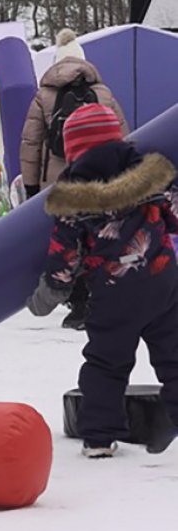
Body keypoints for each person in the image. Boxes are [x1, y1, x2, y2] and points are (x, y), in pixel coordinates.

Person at [25, 104, 178, 458]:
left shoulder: (73, 199)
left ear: (73, 151)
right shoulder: (152, 178)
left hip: (114, 294)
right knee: (174, 357)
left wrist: (51, 292)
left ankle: (99, 437)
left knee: (107, 362)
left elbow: (65, 254)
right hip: (163, 284)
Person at [20, 29, 128, 330]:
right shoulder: (104, 93)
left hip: (59, 178)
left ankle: (78, 303)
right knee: (101, 233)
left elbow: (30, 142)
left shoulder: (44, 96)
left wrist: (31, 186)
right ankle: (102, 296)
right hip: (103, 178)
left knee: (67, 236)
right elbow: (122, 133)